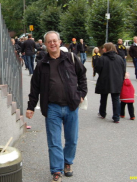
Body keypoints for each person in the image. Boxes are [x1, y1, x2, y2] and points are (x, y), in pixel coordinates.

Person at [26, 31, 87, 182]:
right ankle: (56, 169)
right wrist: (30, 107)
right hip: (52, 108)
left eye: (55, 41)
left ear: (60, 42)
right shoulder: (42, 65)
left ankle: (67, 162)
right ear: (46, 45)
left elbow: (82, 76)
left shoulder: (71, 59)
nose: (52, 43)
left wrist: (81, 94)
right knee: (54, 141)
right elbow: (35, 88)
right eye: (49, 41)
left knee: (72, 139)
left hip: (71, 106)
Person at [95, 42, 125, 123]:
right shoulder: (119, 58)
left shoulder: (102, 58)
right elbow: (123, 70)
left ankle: (102, 113)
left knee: (103, 98)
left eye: (104, 48)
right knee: (116, 99)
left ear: (107, 48)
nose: (102, 49)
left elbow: (98, 69)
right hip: (117, 81)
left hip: (104, 80)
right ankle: (116, 117)